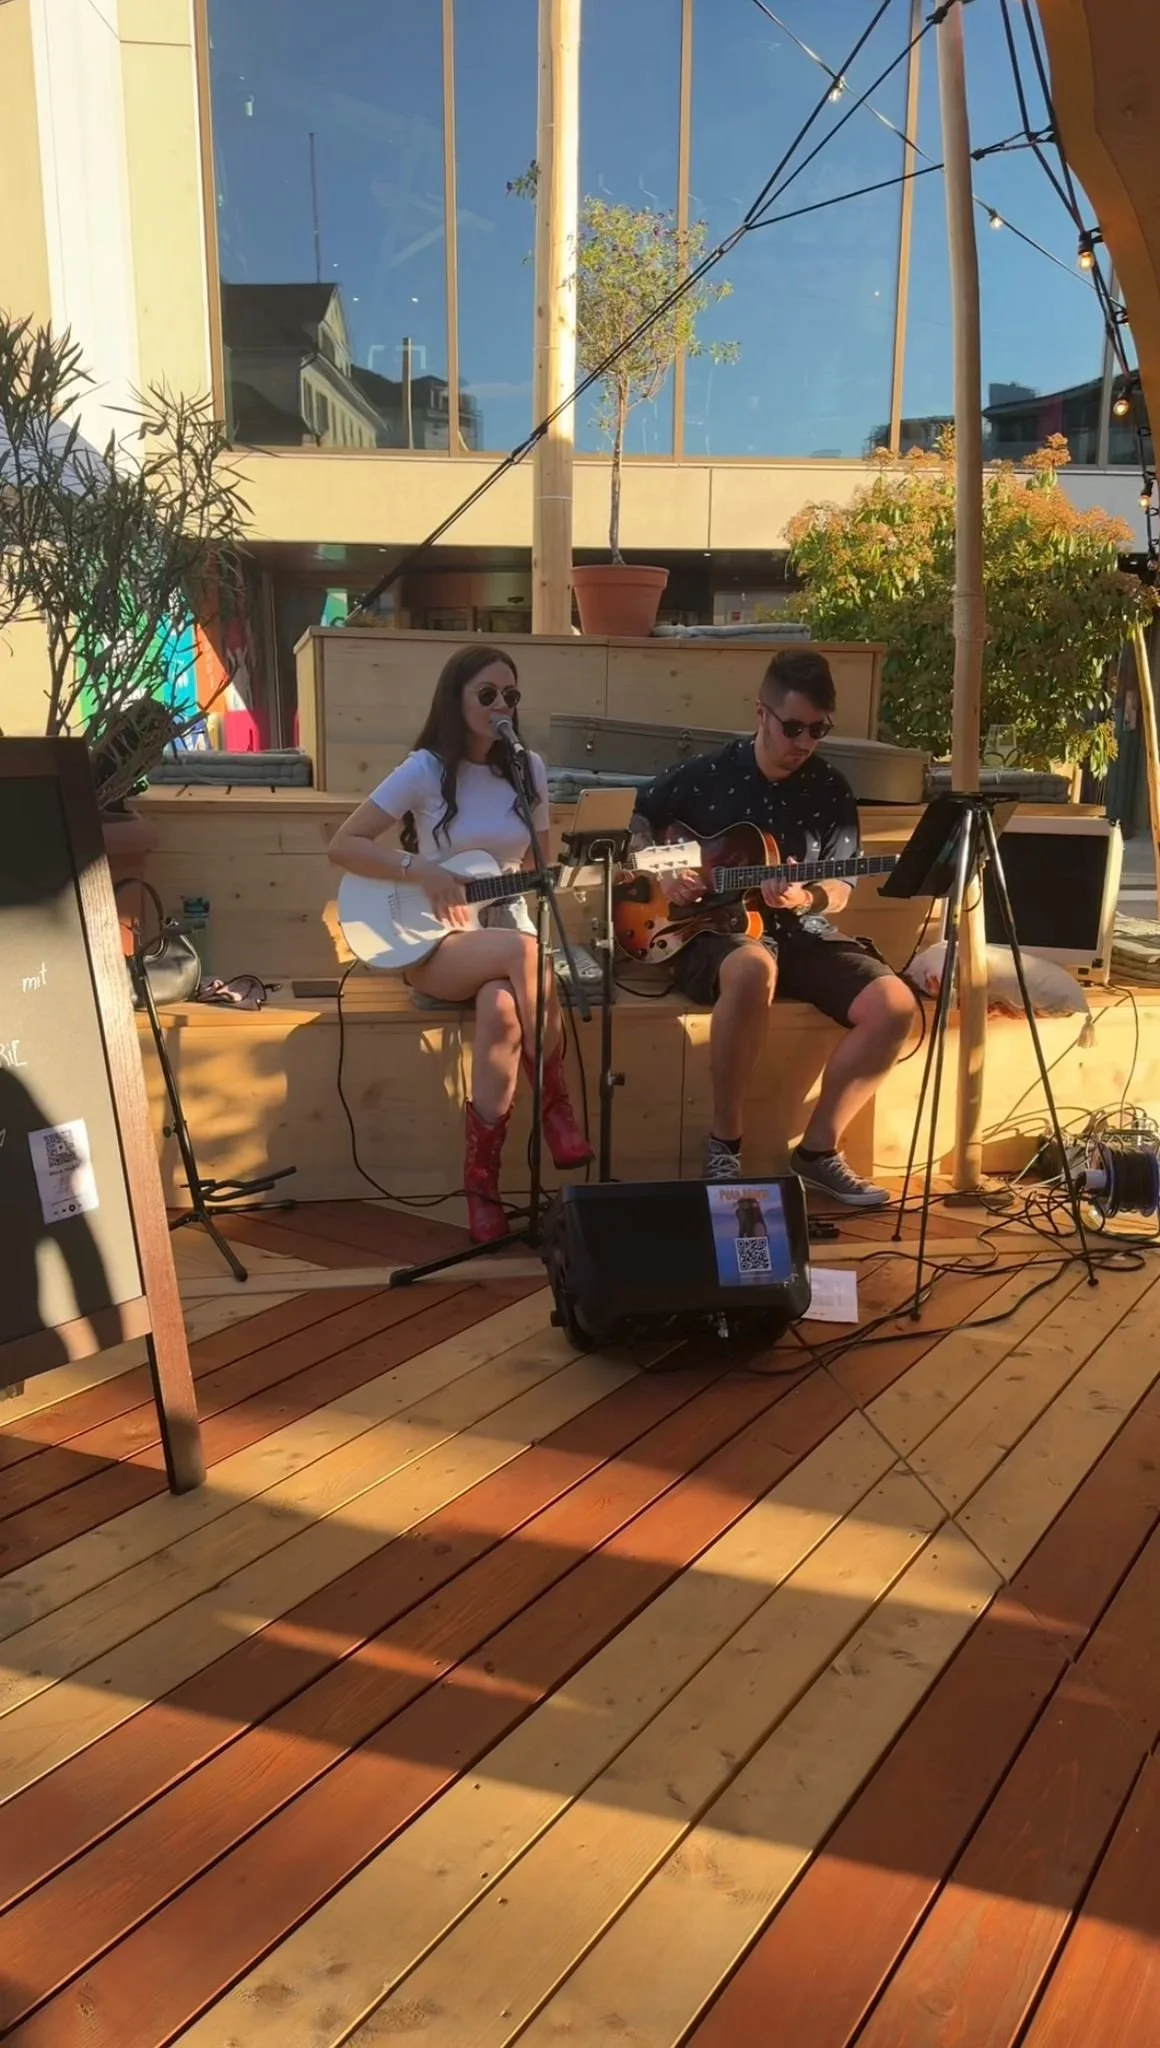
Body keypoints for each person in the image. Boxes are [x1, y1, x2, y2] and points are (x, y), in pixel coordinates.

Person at [632, 647, 917, 1205]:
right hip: (708, 931)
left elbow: (841, 887)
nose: (804, 743)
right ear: (760, 713)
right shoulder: (706, 773)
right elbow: (636, 819)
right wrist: (664, 873)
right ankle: (725, 1144)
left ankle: (817, 1152)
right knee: (753, 966)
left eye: (818, 730)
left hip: (798, 930)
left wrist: (805, 894)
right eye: (792, 727)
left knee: (896, 1005)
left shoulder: (830, 790)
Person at [329, 644, 591, 1243]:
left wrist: (577, 874)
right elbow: (344, 844)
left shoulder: (531, 770)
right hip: (431, 940)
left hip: (501, 927)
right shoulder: (424, 768)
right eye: (487, 694)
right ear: (457, 698)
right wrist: (421, 870)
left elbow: (540, 866)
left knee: (504, 1006)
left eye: (511, 696)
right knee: (524, 955)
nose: (502, 706)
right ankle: (556, 1107)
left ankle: (482, 1182)